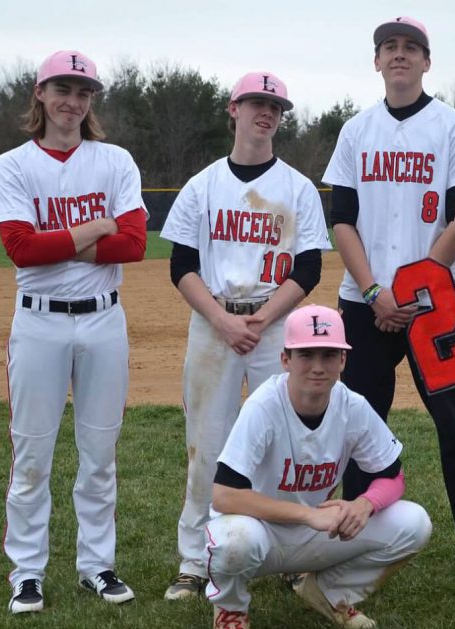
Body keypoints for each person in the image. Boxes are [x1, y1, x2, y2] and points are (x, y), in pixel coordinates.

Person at [321, 15, 455, 587]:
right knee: (356, 427)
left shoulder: (453, 128)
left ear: (427, 62)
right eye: (389, 48)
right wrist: (375, 290)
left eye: (411, 48)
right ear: (376, 61)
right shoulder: (355, 131)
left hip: (437, 303)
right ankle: (351, 542)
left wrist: (416, 285)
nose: (399, 55)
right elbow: (341, 221)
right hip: (364, 301)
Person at [0, 49, 147, 613]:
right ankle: (26, 573)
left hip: (104, 319)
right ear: (40, 93)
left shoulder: (115, 160)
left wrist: (65, 239)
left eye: (82, 93)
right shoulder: (13, 165)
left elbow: (134, 244)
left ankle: (97, 566)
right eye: (62, 89)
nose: (72, 102)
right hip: (38, 322)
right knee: (31, 455)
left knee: (99, 453)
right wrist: (96, 225)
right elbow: (22, 251)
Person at [159, 72, 332, 600]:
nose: (267, 112)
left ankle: (294, 556)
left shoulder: (298, 188)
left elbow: (308, 269)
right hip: (215, 324)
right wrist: (224, 320)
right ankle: (194, 561)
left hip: (277, 325)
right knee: (205, 445)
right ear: (233, 109)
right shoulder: (203, 184)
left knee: (286, 444)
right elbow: (182, 265)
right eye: (257, 102)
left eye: (276, 105)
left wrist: (260, 319)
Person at [204, 304, 432, 629]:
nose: (317, 366)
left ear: (343, 360)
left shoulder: (352, 406)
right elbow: (225, 496)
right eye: (306, 355)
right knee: (234, 539)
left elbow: (392, 477)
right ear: (285, 360)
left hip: (316, 531)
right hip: (260, 530)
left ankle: (330, 594)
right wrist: (307, 515)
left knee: (414, 523)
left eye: (329, 355)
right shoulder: (265, 405)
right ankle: (231, 609)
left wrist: (366, 504)